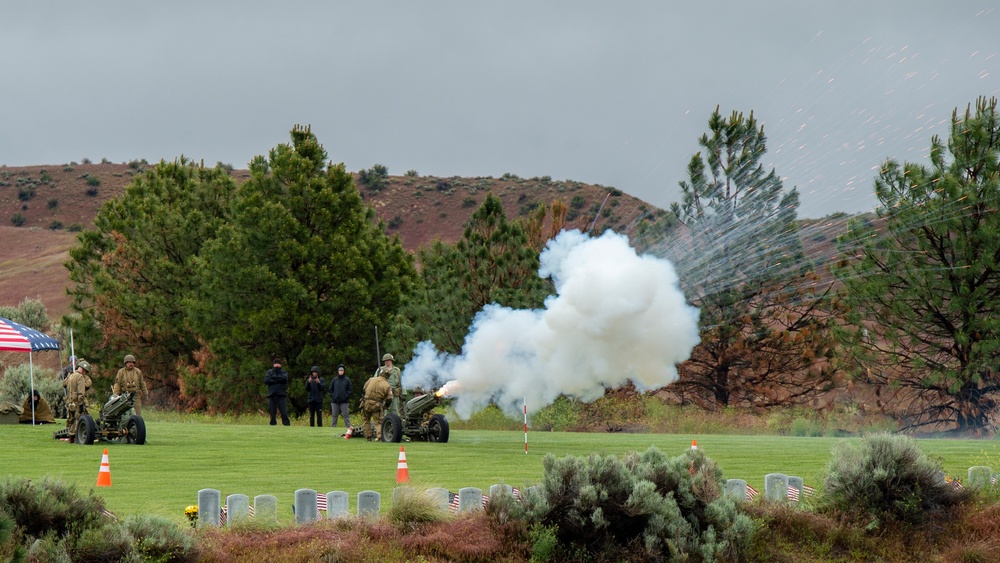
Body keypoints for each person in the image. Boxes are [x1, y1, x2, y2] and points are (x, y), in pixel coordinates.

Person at [63, 360, 92, 442]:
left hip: (70, 401)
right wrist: (81, 403)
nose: (85, 373)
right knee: (80, 419)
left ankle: (71, 438)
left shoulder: (71, 376)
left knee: (71, 420)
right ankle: (78, 437)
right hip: (77, 402)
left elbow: (64, 384)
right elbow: (81, 392)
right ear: (83, 369)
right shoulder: (80, 377)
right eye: (85, 371)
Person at [360, 368, 391, 441]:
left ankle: (368, 437)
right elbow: (389, 399)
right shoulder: (387, 385)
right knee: (378, 422)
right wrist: (386, 406)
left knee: (365, 420)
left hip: (366, 403)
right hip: (377, 404)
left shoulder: (371, 379)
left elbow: (364, 389)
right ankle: (380, 437)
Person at [264, 357, 290, 426]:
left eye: (278, 364)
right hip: (271, 395)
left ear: (280, 365)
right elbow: (266, 380)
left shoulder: (284, 372)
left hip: (281, 395)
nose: (277, 365)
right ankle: (272, 426)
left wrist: (273, 379)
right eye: (275, 364)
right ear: (273, 365)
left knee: (284, 412)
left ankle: (287, 425)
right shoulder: (269, 372)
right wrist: (278, 380)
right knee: (272, 413)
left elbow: (285, 379)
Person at [328, 364, 352, 429]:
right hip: (335, 401)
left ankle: (347, 427)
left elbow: (350, 390)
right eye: (339, 370)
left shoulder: (347, 380)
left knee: (345, 415)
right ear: (338, 371)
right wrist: (333, 396)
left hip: (344, 401)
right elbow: (330, 389)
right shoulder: (334, 380)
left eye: (342, 370)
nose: (341, 372)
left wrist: (346, 396)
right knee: (334, 415)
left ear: (344, 371)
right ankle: (333, 427)